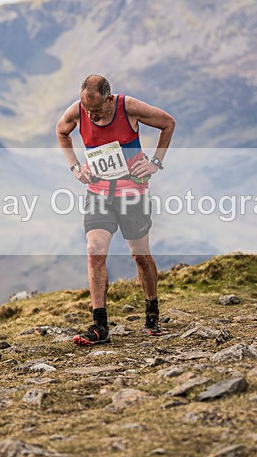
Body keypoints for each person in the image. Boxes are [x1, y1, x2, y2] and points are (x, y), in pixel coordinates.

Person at [56, 75, 175, 346]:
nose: (91, 116)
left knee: (140, 257)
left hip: (133, 194)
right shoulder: (78, 111)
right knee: (94, 251)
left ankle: (152, 311)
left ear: (109, 99)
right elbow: (62, 131)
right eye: (87, 111)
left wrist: (155, 162)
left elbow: (168, 123)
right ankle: (99, 325)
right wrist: (76, 167)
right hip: (98, 193)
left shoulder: (128, 108)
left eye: (96, 110)